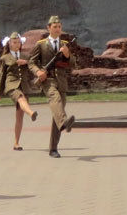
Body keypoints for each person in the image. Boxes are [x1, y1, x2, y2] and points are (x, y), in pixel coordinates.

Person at [29, 16, 76, 158]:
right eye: (55, 27)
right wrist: (38, 72)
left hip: (61, 81)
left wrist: (67, 56)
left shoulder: (65, 44)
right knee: (55, 100)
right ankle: (64, 122)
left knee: (58, 112)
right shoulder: (41, 44)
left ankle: (53, 148)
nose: (57, 29)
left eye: (59, 27)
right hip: (48, 80)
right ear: (48, 28)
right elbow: (31, 62)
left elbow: (73, 64)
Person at [0, 32, 38, 150]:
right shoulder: (5, 57)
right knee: (20, 98)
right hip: (11, 85)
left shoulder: (25, 56)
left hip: (23, 86)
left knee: (19, 116)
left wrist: (27, 62)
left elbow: (34, 66)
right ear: (9, 43)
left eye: (19, 42)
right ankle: (31, 113)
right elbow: (2, 76)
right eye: (14, 42)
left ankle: (16, 143)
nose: (17, 44)